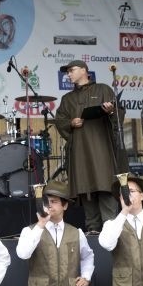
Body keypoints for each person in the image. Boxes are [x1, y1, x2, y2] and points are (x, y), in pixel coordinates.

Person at [55, 59, 127, 233]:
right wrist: (71, 123)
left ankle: (112, 240)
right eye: (68, 71)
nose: (69, 74)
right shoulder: (67, 99)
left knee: (107, 197)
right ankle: (93, 238)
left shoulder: (103, 89)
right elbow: (60, 121)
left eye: (72, 70)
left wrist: (111, 111)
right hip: (80, 157)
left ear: (84, 70)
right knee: (89, 208)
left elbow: (118, 116)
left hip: (102, 154)